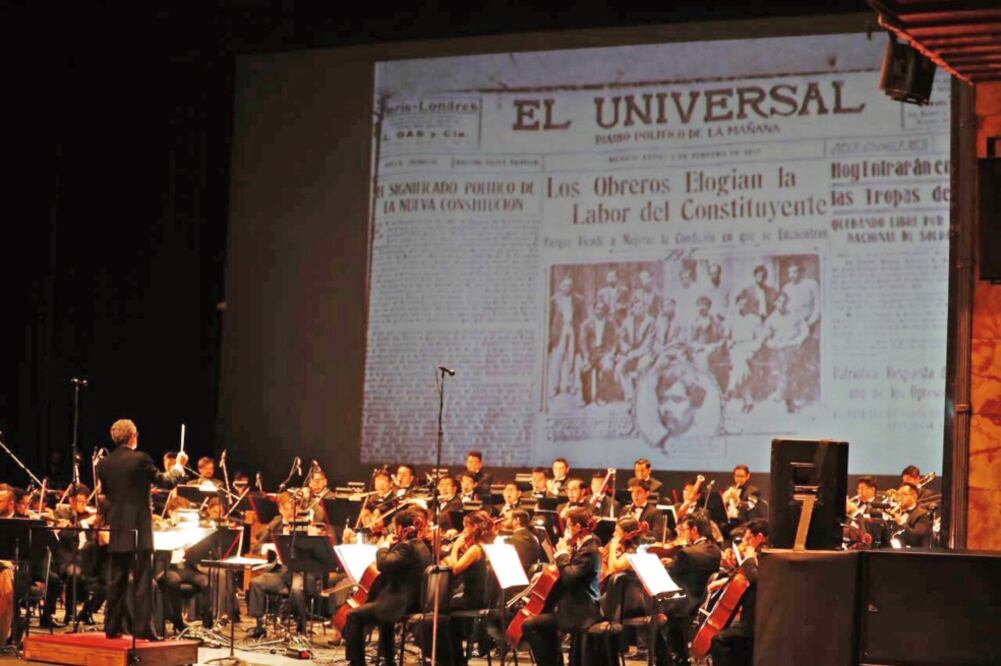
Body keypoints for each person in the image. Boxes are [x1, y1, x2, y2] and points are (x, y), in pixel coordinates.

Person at [96, 418, 188, 639]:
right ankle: (143, 630)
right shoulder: (140, 459)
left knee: (117, 580)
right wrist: (179, 466)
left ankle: (112, 627)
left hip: (117, 528)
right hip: (139, 527)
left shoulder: (104, 464)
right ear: (132, 436)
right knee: (142, 581)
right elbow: (165, 481)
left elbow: (107, 495)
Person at [344, 508, 432, 666]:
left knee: (353, 615)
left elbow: (384, 564)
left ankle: (356, 663)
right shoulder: (421, 545)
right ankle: (387, 659)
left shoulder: (406, 547)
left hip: (400, 604)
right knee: (382, 614)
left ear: (400, 528)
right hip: (414, 601)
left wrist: (384, 546)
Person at [521, 506, 602, 666]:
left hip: (580, 612)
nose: (566, 530)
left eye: (568, 525)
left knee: (529, 624)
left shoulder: (589, 551)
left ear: (578, 527)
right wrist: (546, 571)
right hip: (570, 608)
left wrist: (562, 555)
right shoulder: (579, 547)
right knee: (543, 626)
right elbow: (564, 573)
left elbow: (570, 578)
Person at [657, 513, 721, 666]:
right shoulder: (716, 550)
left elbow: (670, 574)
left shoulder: (686, 553)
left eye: (685, 529)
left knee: (654, 610)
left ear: (694, 530)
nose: (683, 533)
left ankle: (668, 659)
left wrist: (666, 563)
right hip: (701, 601)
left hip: (684, 605)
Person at [709, 519, 768, 666]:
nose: (745, 543)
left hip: (756, 620)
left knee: (718, 640)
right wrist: (725, 581)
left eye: (748, 539)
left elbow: (755, 578)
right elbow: (744, 579)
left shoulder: (765, 556)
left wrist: (748, 556)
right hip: (748, 615)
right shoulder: (757, 555)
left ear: (759, 538)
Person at [761, 292, 809, 413]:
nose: (781, 304)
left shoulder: (794, 315)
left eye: (783, 301)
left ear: (787, 302)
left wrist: (798, 341)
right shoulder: (771, 319)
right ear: (775, 303)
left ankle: (788, 393)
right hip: (780, 351)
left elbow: (805, 330)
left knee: (792, 367)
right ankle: (787, 396)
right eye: (778, 301)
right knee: (785, 366)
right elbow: (766, 339)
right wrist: (773, 344)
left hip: (794, 348)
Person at [548, 274, 585, 398]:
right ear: (560, 286)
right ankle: (554, 387)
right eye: (565, 285)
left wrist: (580, 332)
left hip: (573, 329)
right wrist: (550, 336)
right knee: (557, 358)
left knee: (570, 358)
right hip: (560, 330)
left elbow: (581, 318)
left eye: (569, 285)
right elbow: (549, 319)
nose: (567, 287)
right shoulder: (554, 300)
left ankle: (569, 386)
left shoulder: (578, 299)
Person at [615, 296, 657, 401]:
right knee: (619, 368)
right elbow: (621, 339)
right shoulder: (627, 321)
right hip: (629, 353)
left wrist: (635, 354)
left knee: (642, 366)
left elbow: (649, 342)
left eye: (641, 307)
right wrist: (627, 350)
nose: (639, 310)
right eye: (636, 308)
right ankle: (630, 396)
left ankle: (643, 395)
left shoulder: (650, 321)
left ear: (645, 308)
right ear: (632, 309)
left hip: (644, 353)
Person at [721, 465, 763, 530]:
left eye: (741, 476)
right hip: (730, 521)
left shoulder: (753, 491)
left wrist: (737, 501)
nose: (739, 479)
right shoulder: (729, 489)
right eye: (737, 476)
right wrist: (724, 501)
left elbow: (750, 505)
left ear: (747, 476)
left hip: (744, 523)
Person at [781, 262, 820, 331]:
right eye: (789, 273)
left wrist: (812, 320)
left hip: (809, 322)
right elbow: (783, 305)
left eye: (794, 272)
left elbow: (818, 303)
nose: (791, 275)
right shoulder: (786, 287)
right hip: (792, 323)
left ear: (801, 272)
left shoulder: (811, 284)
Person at [892, 483, 932, 548]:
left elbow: (915, 538)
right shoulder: (899, 512)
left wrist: (902, 523)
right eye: (899, 495)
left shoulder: (922, 513)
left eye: (903, 494)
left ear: (914, 496)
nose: (899, 498)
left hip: (915, 555)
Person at [506, 510, 543, 574]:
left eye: (507, 519)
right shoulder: (533, 536)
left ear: (517, 520)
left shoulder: (512, 541)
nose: (504, 522)